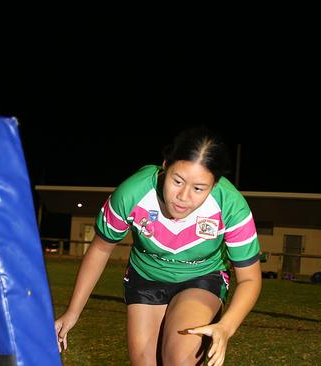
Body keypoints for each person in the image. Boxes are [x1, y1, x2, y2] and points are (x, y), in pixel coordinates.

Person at [54, 128, 262, 366]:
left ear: (214, 185)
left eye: (198, 188)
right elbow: (100, 249)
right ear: (165, 166)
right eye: (177, 181)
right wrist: (73, 312)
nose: (183, 196)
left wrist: (226, 327)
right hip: (146, 277)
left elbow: (250, 279)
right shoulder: (132, 193)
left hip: (201, 277)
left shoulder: (231, 206)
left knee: (179, 359)